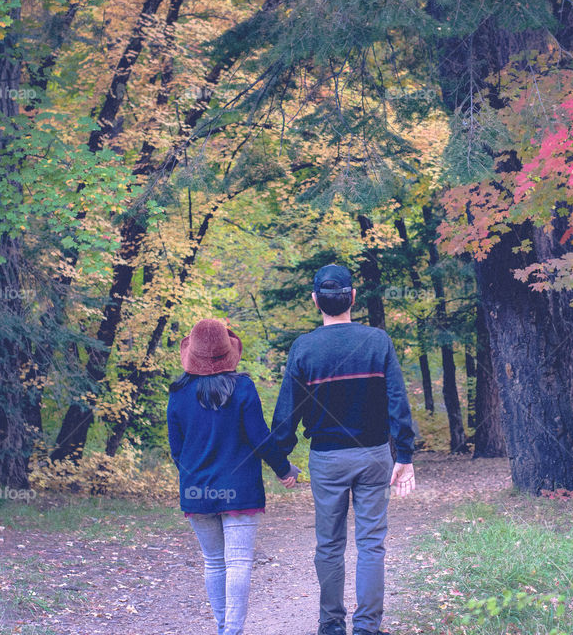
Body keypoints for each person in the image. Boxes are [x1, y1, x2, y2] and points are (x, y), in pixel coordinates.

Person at [272, 264, 417, 635]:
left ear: (315, 300)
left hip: (326, 459)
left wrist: (281, 460)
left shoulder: (304, 348)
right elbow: (397, 400)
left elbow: (288, 410)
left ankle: (331, 625)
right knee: (371, 543)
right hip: (373, 455)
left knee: (330, 544)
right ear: (352, 297)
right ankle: (368, 627)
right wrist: (405, 455)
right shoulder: (377, 341)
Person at [168, 318, 300, 635]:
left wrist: (194, 480)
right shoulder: (243, 388)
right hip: (239, 490)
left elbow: (177, 451)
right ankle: (232, 631)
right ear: (228, 352)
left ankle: (224, 627)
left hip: (197, 491)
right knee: (238, 563)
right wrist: (284, 469)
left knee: (214, 562)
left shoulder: (178, 393)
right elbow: (260, 437)